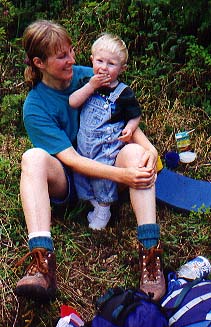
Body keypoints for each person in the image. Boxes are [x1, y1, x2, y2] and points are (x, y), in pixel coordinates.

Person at [15, 19, 165, 303]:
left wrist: (149, 148)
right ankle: (42, 262)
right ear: (39, 62)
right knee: (32, 158)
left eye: (71, 51)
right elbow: (70, 160)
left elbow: (123, 117)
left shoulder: (89, 76)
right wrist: (123, 177)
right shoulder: (35, 106)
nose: (73, 59)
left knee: (135, 154)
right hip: (68, 181)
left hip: (106, 163)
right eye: (62, 56)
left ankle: (150, 255)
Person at [69, 33, 142, 230]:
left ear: (121, 68)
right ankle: (92, 201)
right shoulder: (87, 82)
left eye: (111, 64)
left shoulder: (124, 93)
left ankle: (104, 207)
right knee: (81, 175)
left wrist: (130, 127)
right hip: (84, 144)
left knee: (102, 178)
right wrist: (91, 86)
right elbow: (73, 102)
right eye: (100, 61)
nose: (104, 67)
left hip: (106, 147)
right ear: (92, 60)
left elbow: (135, 115)